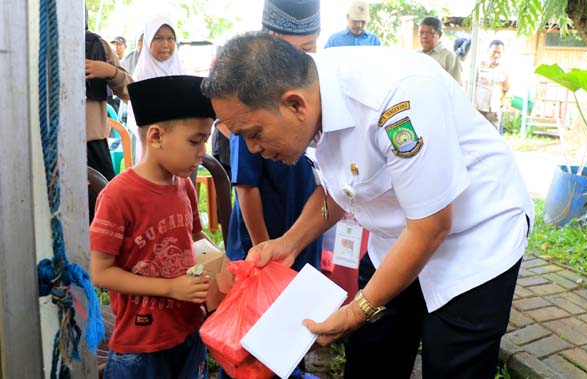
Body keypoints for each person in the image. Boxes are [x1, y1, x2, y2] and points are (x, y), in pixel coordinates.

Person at [203, 32, 534, 379]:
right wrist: (289, 243)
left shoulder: (396, 101)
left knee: (452, 364)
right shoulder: (312, 97)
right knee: (372, 358)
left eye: (254, 133)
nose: (253, 149)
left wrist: (355, 312)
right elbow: (339, 188)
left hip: (474, 240)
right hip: (396, 238)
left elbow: (431, 227)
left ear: (295, 104)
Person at [90, 75, 215, 379]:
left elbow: (195, 237)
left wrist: (223, 266)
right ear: (156, 136)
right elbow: (101, 272)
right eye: (195, 141)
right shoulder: (119, 196)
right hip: (140, 345)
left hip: (188, 330)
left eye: (205, 141)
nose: (202, 152)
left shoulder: (184, 185)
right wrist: (170, 288)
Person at [222, 1, 323, 377]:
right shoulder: (252, 107)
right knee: (258, 320)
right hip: (264, 231)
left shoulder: (312, 99)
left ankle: (290, 368)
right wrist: (265, 250)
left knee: (292, 310)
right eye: (286, 51)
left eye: (307, 51)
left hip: (300, 220)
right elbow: (246, 187)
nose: (296, 66)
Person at [85, 26, 132, 221]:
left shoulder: (98, 45)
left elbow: (131, 90)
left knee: (106, 216)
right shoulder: (34, 40)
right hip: (46, 146)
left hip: (93, 147)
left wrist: (110, 72)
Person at [128, 15, 186, 162]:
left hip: (180, 140)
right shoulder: (142, 74)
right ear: (148, 41)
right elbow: (137, 115)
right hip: (152, 141)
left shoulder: (180, 71)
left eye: (170, 38)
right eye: (158, 38)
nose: (165, 44)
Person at [474, 40, 510, 134]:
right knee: (476, 136)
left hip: (494, 110)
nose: (496, 55)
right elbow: (468, 84)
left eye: (499, 53)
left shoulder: (504, 69)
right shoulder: (479, 65)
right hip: (479, 108)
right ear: (488, 50)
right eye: (494, 52)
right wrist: (472, 101)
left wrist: (506, 101)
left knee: (493, 139)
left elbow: (507, 88)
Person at [418, 16, 462, 84]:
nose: (424, 36)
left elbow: (456, 87)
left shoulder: (449, 57)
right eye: (421, 32)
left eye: (429, 33)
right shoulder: (417, 55)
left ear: (439, 34)